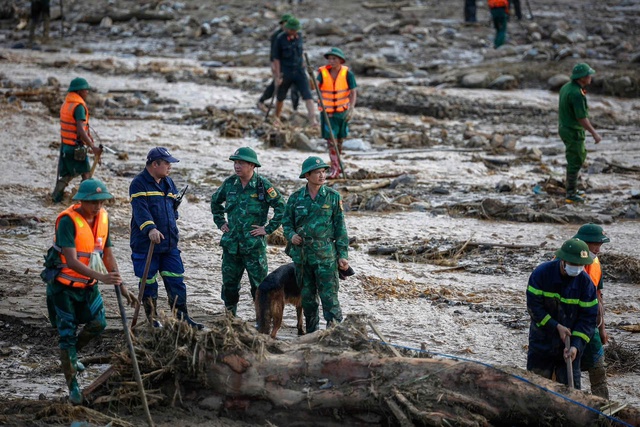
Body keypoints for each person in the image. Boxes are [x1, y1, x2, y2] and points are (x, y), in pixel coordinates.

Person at [42, 178, 137, 405]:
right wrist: (102, 277)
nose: (98, 206)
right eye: (93, 202)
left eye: (101, 201)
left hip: (88, 286)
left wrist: (121, 286)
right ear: (81, 201)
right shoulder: (68, 221)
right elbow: (72, 261)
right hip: (63, 288)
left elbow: (107, 254)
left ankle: (71, 356)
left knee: (99, 323)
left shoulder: (103, 219)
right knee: (66, 334)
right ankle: (73, 386)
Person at [129, 147, 203, 329]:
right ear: (155, 164)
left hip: (169, 244)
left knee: (176, 279)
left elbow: (171, 210)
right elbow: (140, 211)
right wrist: (151, 229)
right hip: (147, 244)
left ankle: (182, 318)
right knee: (149, 282)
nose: (170, 167)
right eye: (167, 163)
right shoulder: (138, 184)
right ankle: (152, 318)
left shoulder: (168, 182)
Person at [210, 147, 285, 316]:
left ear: (252, 165)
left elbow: (281, 207)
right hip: (232, 246)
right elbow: (215, 203)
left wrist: (267, 229)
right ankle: (230, 319)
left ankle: (262, 321)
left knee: (260, 288)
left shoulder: (263, 185)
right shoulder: (230, 184)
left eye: (241, 163)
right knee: (229, 286)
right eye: (235, 162)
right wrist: (221, 223)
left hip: (254, 248)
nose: (237, 166)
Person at [282, 156, 350, 333]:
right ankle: (310, 338)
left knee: (330, 301)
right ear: (307, 175)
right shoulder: (296, 198)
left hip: (326, 257)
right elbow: (287, 223)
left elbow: (340, 229)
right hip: (303, 258)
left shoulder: (333, 197)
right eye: (317, 172)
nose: (322, 175)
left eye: (324, 172)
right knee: (308, 301)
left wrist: (343, 256)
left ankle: (333, 336)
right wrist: (291, 235)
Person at [526, 238, 598, 390]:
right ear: (563, 261)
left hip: (569, 347)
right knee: (536, 388)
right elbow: (534, 308)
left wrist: (576, 346)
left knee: (570, 391)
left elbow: (588, 320)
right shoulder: (541, 275)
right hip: (542, 341)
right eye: (574, 264)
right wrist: (555, 326)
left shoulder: (586, 284)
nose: (577, 268)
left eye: (581, 265)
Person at [573, 223, 611, 398]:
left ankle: (604, 406)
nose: (598, 249)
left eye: (600, 245)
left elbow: (599, 295)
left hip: (591, 325)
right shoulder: (568, 261)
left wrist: (602, 328)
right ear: (583, 242)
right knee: (570, 371)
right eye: (595, 244)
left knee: (598, 367)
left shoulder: (595, 262)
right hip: (570, 324)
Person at [51, 78, 103, 203]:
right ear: (79, 91)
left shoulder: (67, 103)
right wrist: (92, 146)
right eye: (86, 90)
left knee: (68, 174)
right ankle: (86, 200)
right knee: (86, 174)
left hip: (66, 147)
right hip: (76, 149)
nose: (87, 93)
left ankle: (55, 198)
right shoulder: (79, 107)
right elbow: (80, 129)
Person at [558, 63, 602, 204]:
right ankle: (571, 194)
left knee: (576, 157)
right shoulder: (577, 94)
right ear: (582, 78)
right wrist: (594, 133)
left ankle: (573, 190)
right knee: (575, 160)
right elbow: (581, 118)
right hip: (573, 130)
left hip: (565, 127)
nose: (591, 77)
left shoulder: (566, 87)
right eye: (589, 75)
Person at [317, 47, 357, 179]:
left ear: (340, 60)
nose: (331, 61)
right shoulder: (323, 73)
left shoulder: (347, 74)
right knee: (331, 141)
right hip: (328, 113)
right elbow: (314, 86)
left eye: (334, 58)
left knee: (339, 140)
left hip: (342, 112)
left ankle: (338, 166)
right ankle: (335, 168)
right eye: (329, 58)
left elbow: (353, 92)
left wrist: (351, 108)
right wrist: (310, 78)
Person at [272, 17, 318, 127]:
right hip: (286, 71)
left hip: (299, 71)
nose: (294, 32)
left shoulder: (299, 37)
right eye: (292, 30)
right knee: (280, 97)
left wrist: (306, 68)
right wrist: (277, 76)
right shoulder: (280, 39)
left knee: (308, 95)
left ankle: (313, 120)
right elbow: (276, 59)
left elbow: (301, 53)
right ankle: (276, 118)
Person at [257, 13, 301, 113]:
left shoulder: (293, 35)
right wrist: (274, 65)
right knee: (276, 85)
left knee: (295, 86)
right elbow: (274, 53)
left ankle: (295, 107)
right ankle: (262, 100)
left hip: (292, 65)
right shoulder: (277, 36)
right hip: (281, 65)